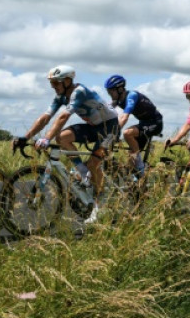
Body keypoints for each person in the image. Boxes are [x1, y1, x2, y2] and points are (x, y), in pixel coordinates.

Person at [16, 65, 117, 224]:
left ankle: (100, 204)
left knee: (95, 163)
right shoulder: (61, 96)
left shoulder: (79, 92)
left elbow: (63, 117)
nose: (53, 87)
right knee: (62, 137)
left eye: (56, 83)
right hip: (93, 127)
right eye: (52, 84)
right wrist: (25, 137)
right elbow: (45, 117)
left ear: (67, 81)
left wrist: (46, 138)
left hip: (109, 126)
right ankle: (82, 170)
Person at [104, 74, 163, 179]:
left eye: (111, 91)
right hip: (144, 124)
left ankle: (141, 167)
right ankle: (135, 185)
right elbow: (105, 113)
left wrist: (114, 133)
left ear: (120, 89)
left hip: (155, 123)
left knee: (127, 133)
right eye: (108, 92)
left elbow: (124, 117)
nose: (110, 94)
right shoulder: (116, 100)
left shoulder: (132, 96)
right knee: (131, 162)